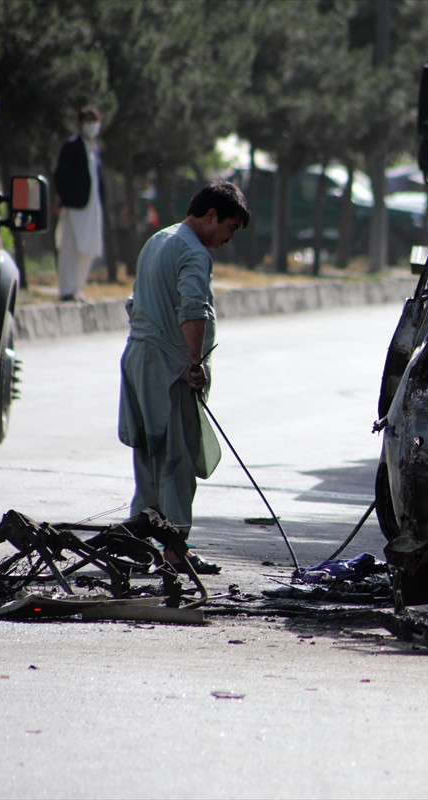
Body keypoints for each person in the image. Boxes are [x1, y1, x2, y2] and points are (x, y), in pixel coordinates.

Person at [117, 182, 250, 573]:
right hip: (168, 367)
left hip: (137, 360)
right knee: (176, 457)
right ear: (211, 216)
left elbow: (135, 301)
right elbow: (194, 311)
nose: (228, 238)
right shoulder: (193, 251)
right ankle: (175, 551)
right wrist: (195, 363)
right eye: (229, 228)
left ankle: (141, 543)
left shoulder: (158, 239)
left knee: (149, 453)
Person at [52, 107, 104, 302]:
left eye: (94, 121)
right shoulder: (71, 146)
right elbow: (60, 174)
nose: (91, 125)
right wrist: (63, 198)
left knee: (88, 248)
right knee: (70, 248)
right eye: (88, 121)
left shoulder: (94, 148)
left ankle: (77, 288)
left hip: (91, 207)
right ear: (80, 124)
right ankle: (66, 289)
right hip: (74, 206)